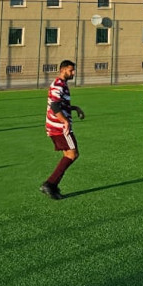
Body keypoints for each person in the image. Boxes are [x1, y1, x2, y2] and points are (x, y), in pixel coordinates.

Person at [40, 60, 85, 200]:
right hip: (59, 127)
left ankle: (52, 185)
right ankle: (50, 184)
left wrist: (75, 108)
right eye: (71, 70)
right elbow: (54, 106)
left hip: (56, 126)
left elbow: (60, 104)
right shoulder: (58, 84)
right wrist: (65, 121)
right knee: (73, 154)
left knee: (68, 154)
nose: (73, 73)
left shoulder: (62, 84)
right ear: (63, 70)